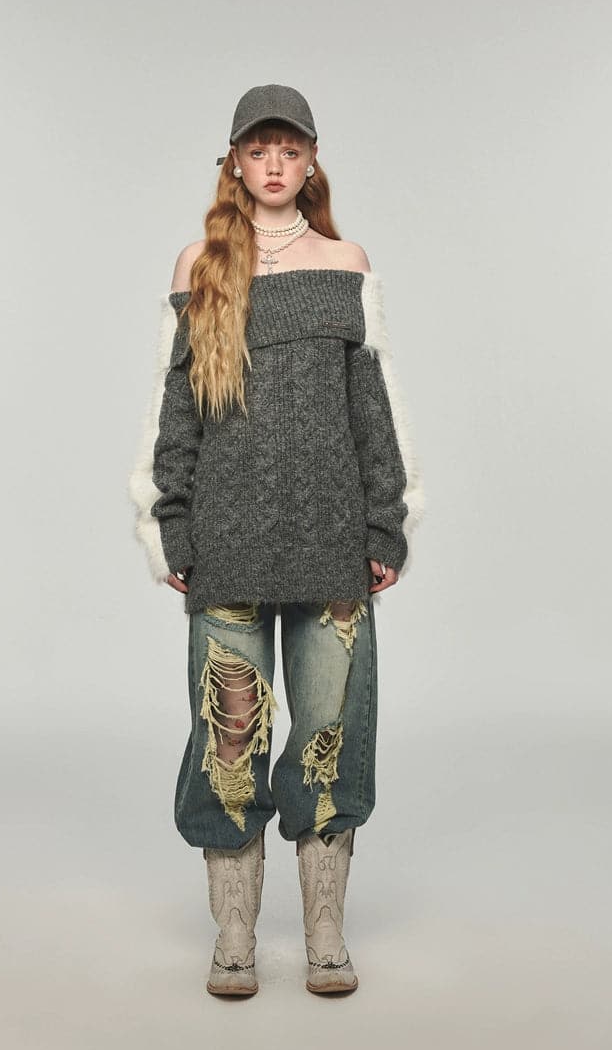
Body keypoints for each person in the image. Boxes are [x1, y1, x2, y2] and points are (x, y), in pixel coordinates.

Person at [128, 84, 425, 999]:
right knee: (229, 744)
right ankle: (235, 936)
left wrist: (385, 522)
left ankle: (325, 931)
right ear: (234, 161)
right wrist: (172, 525)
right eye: (257, 149)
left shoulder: (346, 262)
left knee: (332, 736)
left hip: (333, 543)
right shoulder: (201, 264)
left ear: (311, 159)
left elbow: (374, 409)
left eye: (288, 149)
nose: (273, 165)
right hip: (227, 547)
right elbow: (175, 412)